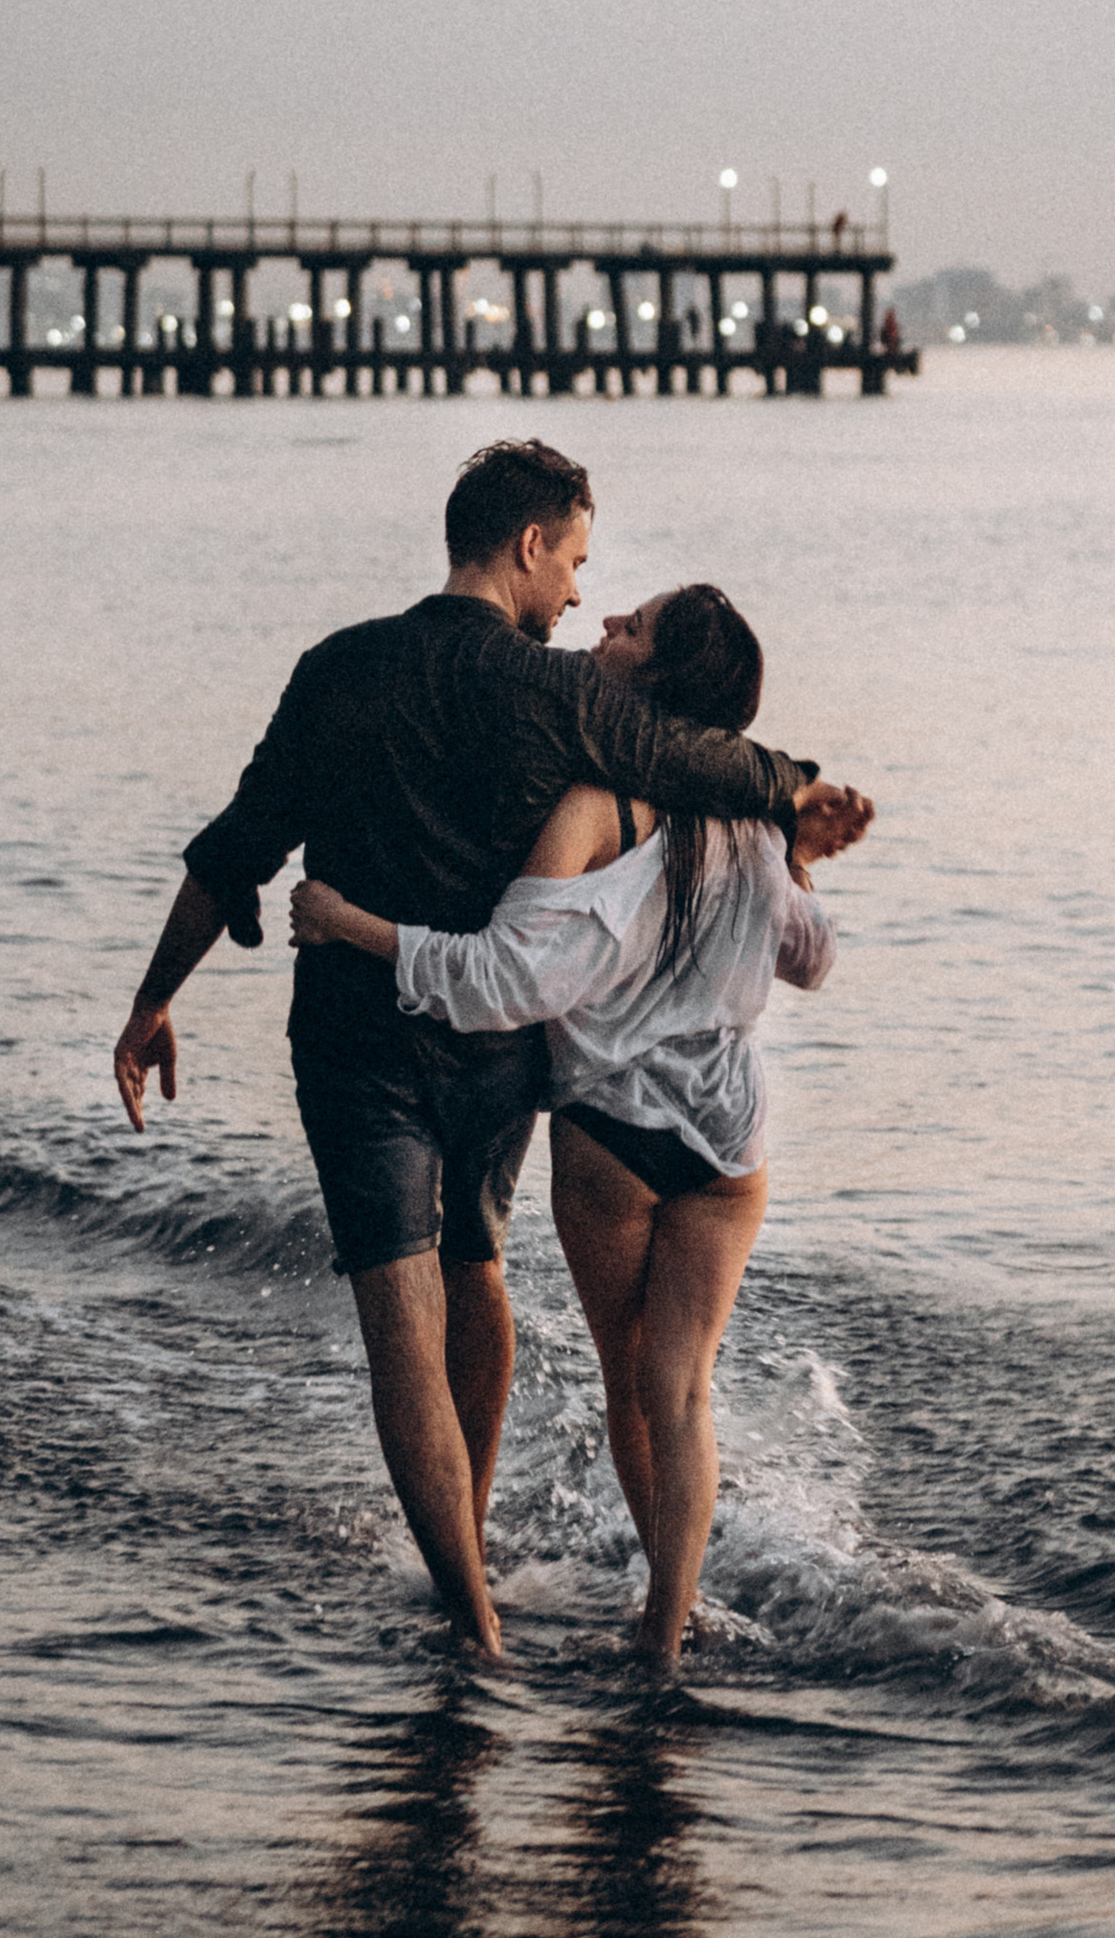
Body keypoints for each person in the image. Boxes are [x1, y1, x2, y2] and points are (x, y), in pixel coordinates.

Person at [110, 442, 872, 1666]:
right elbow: (699, 757)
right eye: (572, 558)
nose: (579, 589)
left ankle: (470, 1617)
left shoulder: (335, 667)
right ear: (526, 545)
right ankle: (531, 1577)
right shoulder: (559, 695)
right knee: (480, 1275)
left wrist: (153, 997)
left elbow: (234, 845)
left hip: (357, 1043)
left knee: (399, 1325)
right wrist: (791, 789)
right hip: (499, 1058)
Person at [291, 579, 828, 1671]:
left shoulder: (597, 805)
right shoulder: (756, 822)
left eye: (631, 624)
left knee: (632, 1376)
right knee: (682, 1388)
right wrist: (799, 855)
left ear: (660, 678)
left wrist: (352, 923)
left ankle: (609, 1623)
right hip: (732, 1140)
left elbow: (506, 978)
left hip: (613, 1129)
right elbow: (812, 956)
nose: (605, 619)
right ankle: (664, 1626)